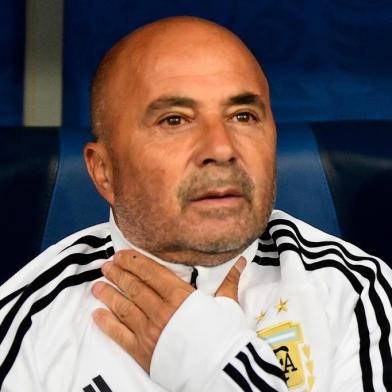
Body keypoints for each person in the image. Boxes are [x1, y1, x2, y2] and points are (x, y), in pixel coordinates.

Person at [0, 16, 391, 392]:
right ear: (104, 171)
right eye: (174, 120)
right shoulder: (26, 322)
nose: (221, 149)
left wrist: (218, 367)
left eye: (243, 115)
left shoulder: (355, 293)